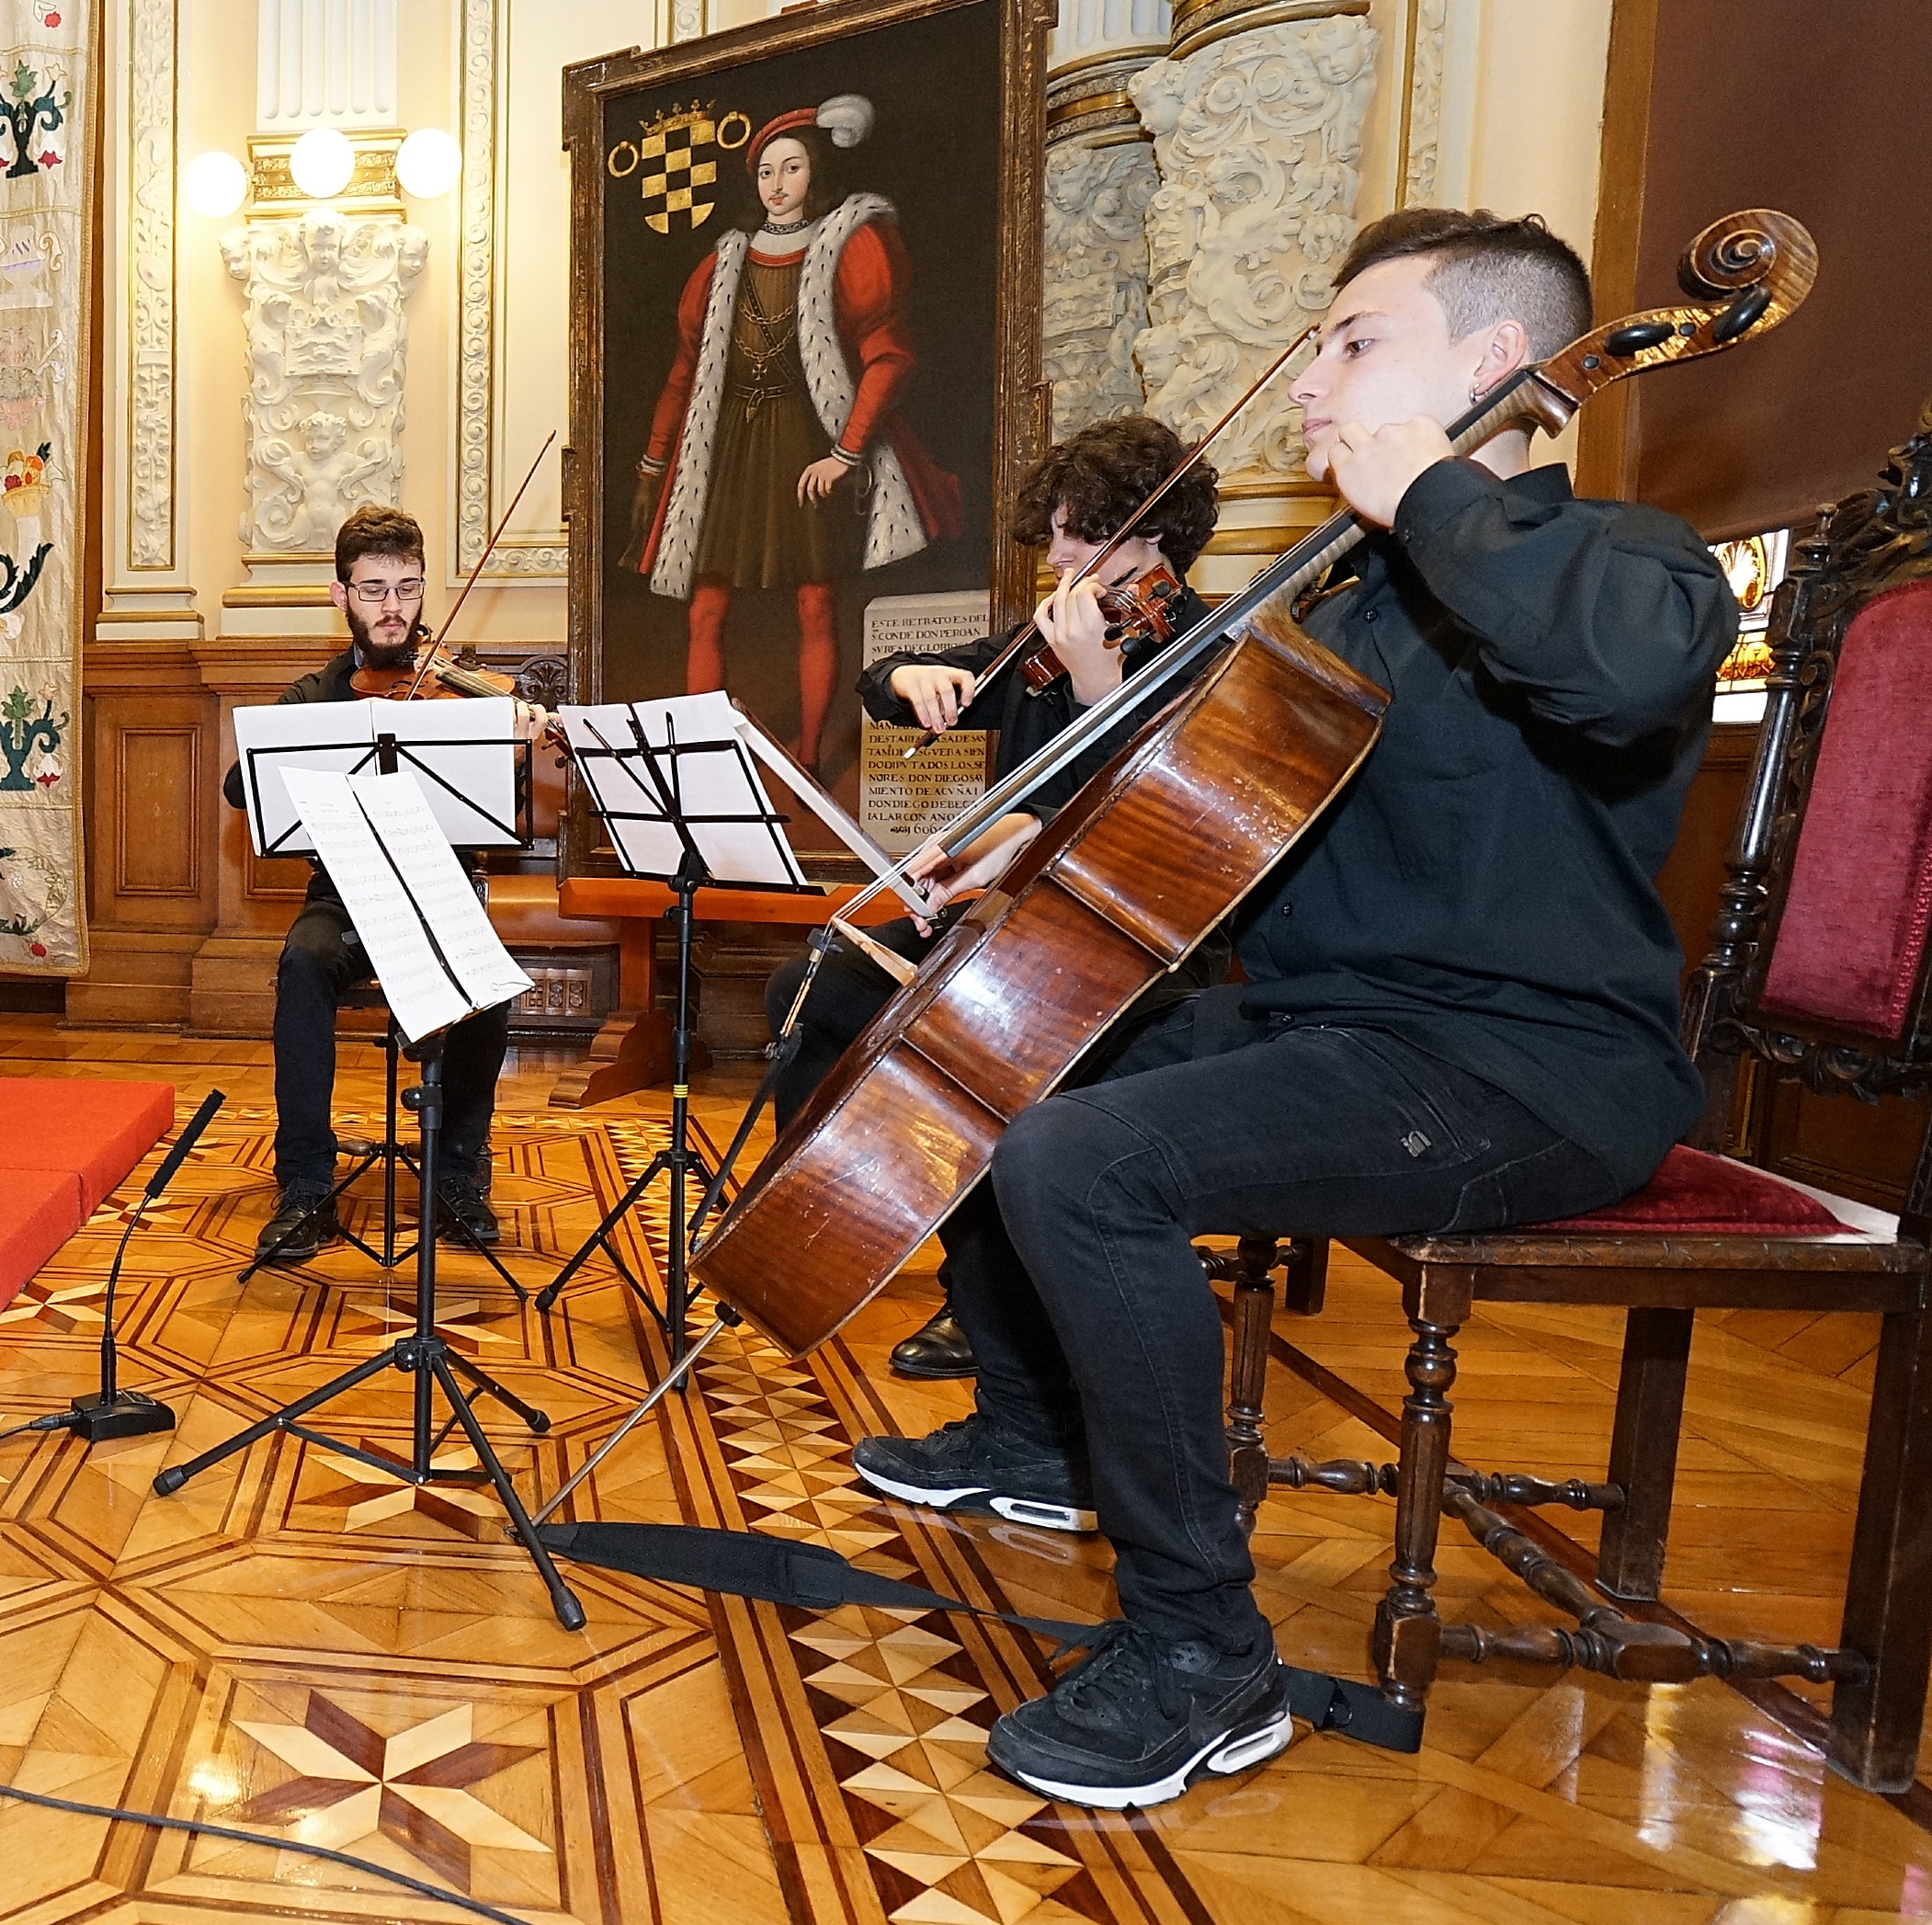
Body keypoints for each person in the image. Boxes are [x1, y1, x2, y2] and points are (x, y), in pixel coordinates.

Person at [843, 210, 1731, 1811]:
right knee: (1004, 1053)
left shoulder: (1626, 559)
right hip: (1332, 1032)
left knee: (1082, 1162)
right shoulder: (1332, 607)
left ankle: (1200, 1651)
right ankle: (1032, 1434)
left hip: (1526, 1065)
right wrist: (1035, 849)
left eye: (1352, 345)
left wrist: (1433, 492)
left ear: (1494, 362)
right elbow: (1219, 851)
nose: (1309, 386)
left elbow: (1617, 673)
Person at [763, 416, 1222, 1384]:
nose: (1053, 559)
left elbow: (1151, 825)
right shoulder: (1043, 639)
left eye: (1076, 535)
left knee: (972, 1051)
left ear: (1152, 535)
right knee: (815, 980)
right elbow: (876, 687)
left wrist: (1100, 688)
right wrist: (908, 673)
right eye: (1049, 534)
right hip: (1006, 923)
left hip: (1123, 951)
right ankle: (818, 1218)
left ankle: (991, 1296)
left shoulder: (1205, 652)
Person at [222, 505, 543, 1264]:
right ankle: (305, 1183)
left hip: (440, 889)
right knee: (302, 962)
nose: (392, 607)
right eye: (373, 590)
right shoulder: (312, 697)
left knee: (488, 978)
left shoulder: (464, 696)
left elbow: (505, 814)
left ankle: (457, 1173)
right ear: (341, 595)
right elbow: (242, 787)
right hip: (344, 893)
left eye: (407, 587)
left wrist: (513, 751)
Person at [630, 93, 965, 772]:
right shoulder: (723, 262)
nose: (777, 185)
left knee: (814, 604)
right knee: (705, 609)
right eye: (765, 172)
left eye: (791, 168)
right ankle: (702, 754)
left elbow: (888, 357)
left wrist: (845, 452)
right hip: (729, 448)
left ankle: (808, 755)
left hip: (807, 442)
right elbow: (684, 373)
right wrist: (652, 462)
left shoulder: (852, 242)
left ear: (815, 173)